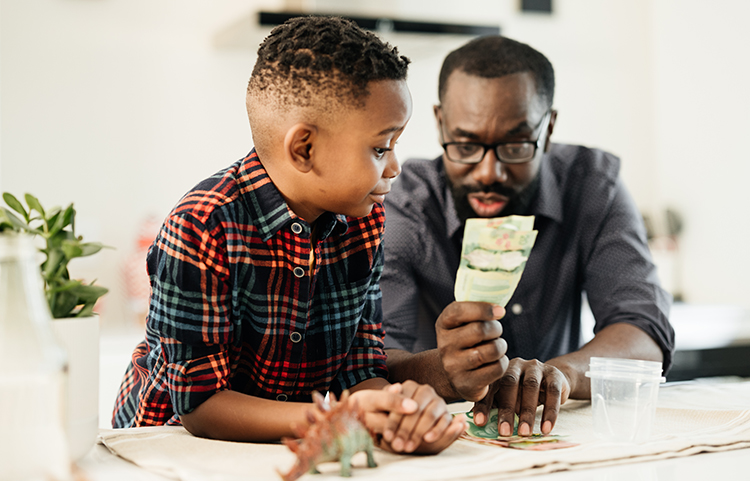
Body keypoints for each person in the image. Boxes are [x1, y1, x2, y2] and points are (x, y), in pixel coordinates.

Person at [112, 16, 466, 454]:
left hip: (296, 439)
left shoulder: (365, 221)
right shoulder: (203, 224)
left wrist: (395, 411)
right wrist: (341, 417)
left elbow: (359, 371)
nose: (394, 167)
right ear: (304, 148)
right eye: (380, 147)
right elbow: (200, 407)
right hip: (168, 445)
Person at [381, 35, 675, 438]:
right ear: (439, 123)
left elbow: (643, 330)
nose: (488, 173)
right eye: (465, 145)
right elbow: (376, 359)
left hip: (557, 433)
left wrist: (562, 374)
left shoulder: (591, 185)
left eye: (515, 146)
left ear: (548, 127)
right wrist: (445, 372)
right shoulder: (405, 205)